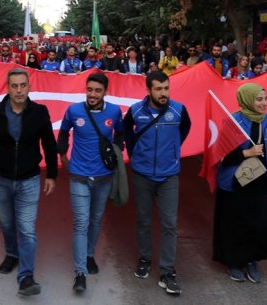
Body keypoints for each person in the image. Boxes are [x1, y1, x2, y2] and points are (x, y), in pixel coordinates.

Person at [0, 68, 58, 296]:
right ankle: (12, 253)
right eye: (14, 86)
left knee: (26, 229)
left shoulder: (40, 112)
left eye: (23, 85)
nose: (19, 90)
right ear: (8, 87)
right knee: (6, 223)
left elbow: (49, 145)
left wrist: (52, 174)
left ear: (29, 86)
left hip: (29, 180)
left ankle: (26, 276)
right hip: (1, 178)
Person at [124, 71, 191, 295]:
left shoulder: (179, 110)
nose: (163, 93)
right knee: (143, 220)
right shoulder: (135, 111)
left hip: (169, 176)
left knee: (169, 223)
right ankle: (144, 259)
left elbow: (185, 129)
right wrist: (134, 153)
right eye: (158, 89)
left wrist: (173, 150)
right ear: (149, 90)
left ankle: (167, 271)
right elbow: (126, 131)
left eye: (166, 88)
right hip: (142, 174)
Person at [57, 73, 123, 293]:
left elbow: (120, 135)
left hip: (104, 177)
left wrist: (115, 153)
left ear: (105, 92)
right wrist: (63, 158)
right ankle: (80, 272)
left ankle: (89, 254)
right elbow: (64, 133)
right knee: (81, 223)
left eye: (97, 90)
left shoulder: (114, 112)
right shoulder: (73, 111)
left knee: (95, 219)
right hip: (79, 177)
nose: (92, 94)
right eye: (89, 90)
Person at [213, 83, 267, 284]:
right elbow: (221, 154)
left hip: (263, 184)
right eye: (258, 99)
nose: (263, 103)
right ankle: (235, 262)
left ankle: (252, 259)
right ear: (247, 99)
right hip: (237, 184)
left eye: (265, 99)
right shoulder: (233, 121)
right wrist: (246, 153)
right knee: (236, 224)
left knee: (264, 226)